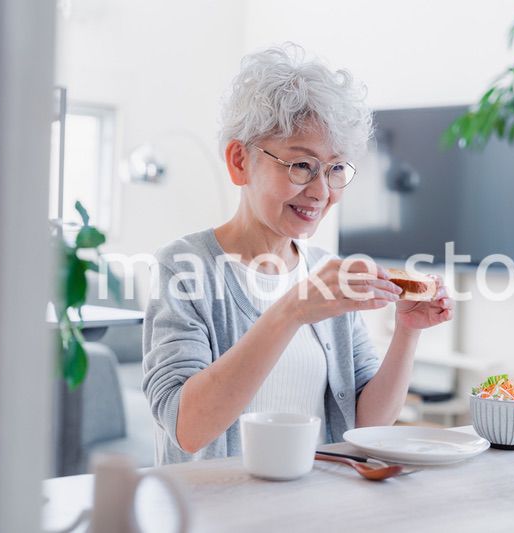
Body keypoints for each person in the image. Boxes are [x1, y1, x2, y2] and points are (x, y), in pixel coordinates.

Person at [142, 44, 453, 465]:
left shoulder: (328, 273)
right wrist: (292, 311)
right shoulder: (184, 267)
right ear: (239, 161)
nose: (321, 191)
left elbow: (366, 423)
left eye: (336, 169)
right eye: (302, 165)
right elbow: (187, 429)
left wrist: (407, 331)